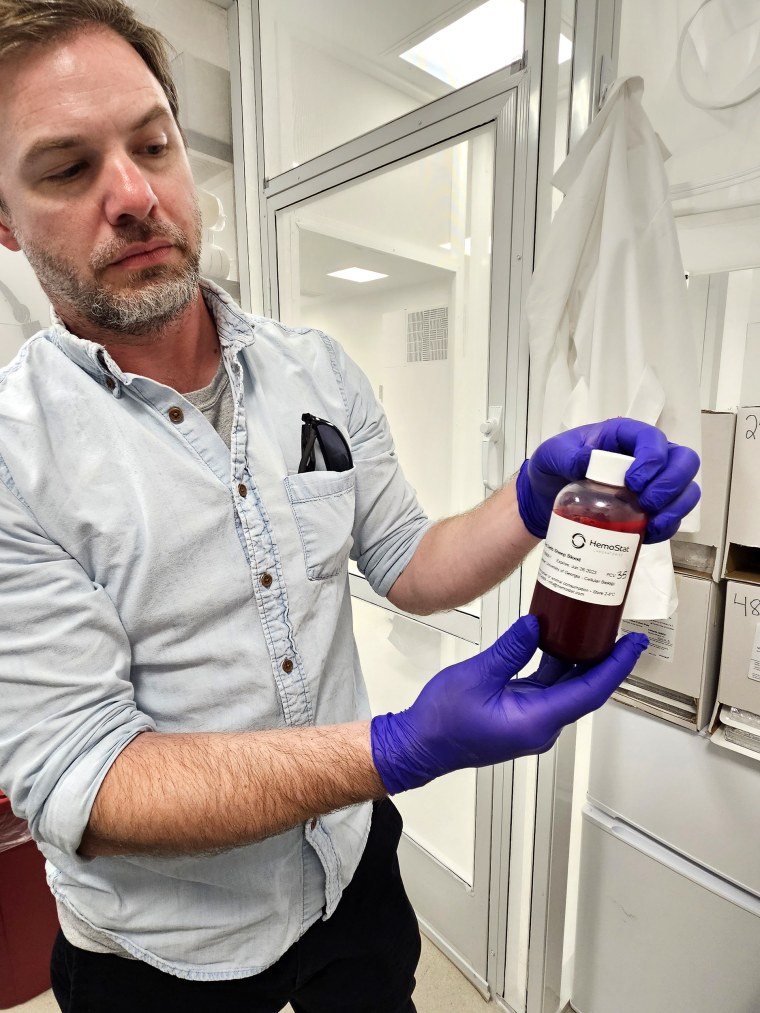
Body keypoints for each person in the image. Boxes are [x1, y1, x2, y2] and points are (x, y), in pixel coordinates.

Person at [0, 2, 700, 1011]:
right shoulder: (17, 454)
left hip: (348, 866)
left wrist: (532, 500)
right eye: (68, 168)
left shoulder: (314, 370)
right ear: (5, 219)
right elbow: (88, 781)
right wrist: (396, 746)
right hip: (165, 946)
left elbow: (407, 561)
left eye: (153, 145)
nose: (135, 194)